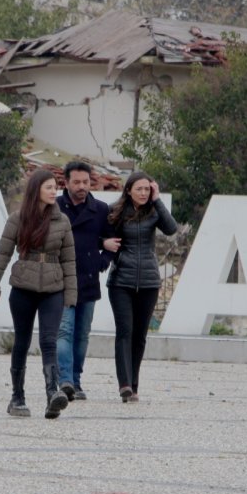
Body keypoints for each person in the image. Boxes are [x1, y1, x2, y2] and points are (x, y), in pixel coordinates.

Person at [0, 168, 77, 420]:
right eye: (49, 187)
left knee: (49, 341)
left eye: (55, 187)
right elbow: (2, 254)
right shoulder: (17, 219)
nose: (54, 191)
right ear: (36, 190)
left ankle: (52, 395)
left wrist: (71, 295)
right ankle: (17, 396)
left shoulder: (62, 221)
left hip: (53, 289)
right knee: (22, 342)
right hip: (23, 287)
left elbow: (69, 261)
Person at [106, 171, 178, 402]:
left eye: (147, 189)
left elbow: (171, 229)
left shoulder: (154, 211)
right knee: (124, 332)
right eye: (139, 189)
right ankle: (124, 384)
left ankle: (134, 386)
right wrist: (103, 243)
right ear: (129, 190)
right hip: (121, 281)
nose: (144, 193)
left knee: (139, 336)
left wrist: (157, 199)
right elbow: (100, 235)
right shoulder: (115, 211)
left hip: (148, 282)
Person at [55, 161, 118, 402]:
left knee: (82, 334)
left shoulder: (100, 209)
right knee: (64, 330)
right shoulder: (55, 207)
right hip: (62, 279)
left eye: (86, 182)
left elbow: (114, 240)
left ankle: (76, 380)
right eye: (77, 182)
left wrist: (102, 261)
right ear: (66, 183)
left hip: (89, 280)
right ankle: (65, 380)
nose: (82, 187)